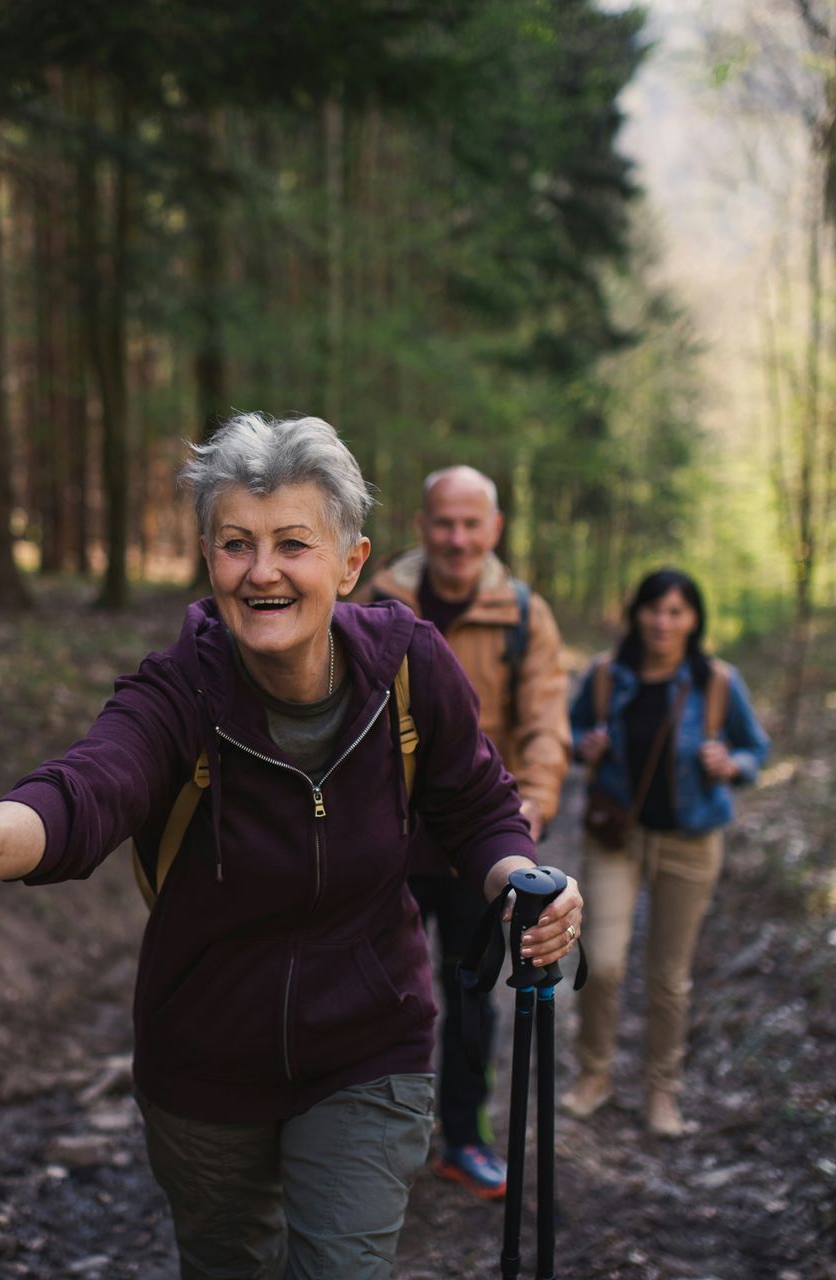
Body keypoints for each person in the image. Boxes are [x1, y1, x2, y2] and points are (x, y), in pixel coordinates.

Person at [0, 413, 584, 1278]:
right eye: (236, 544)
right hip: (204, 1068)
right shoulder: (179, 692)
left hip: (368, 1050)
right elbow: (82, 793)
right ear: (208, 559)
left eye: (292, 544)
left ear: (350, 563)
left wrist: (520, 879)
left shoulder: (410, 667)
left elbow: (477, 803)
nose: (262, 571)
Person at [367, 463, 571, 1199]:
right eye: (443, 523)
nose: (457, 539)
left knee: (473, 996)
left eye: (470, 524)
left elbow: (547, 721)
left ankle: (464, 1139)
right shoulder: (375, 601)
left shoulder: (523, 614)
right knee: (370, 992)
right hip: (382, 839)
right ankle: (365, 1143)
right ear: (422, 526)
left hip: (476, 846)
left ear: (494, 529)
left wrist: (534, 802)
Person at [563, 568, 769, 1137]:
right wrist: (586, 745)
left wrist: (733, 765)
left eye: (676, 611)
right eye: (654, 609)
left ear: (694, 619)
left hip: (691, 843)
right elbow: (570, 732)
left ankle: (661, 1092)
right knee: (601, 962)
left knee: (668, 978)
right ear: (638, 615)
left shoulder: (718, 683)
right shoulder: (607, 675)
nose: (663, 621)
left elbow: (755, 748)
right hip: (617, 840)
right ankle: (594, 1075)